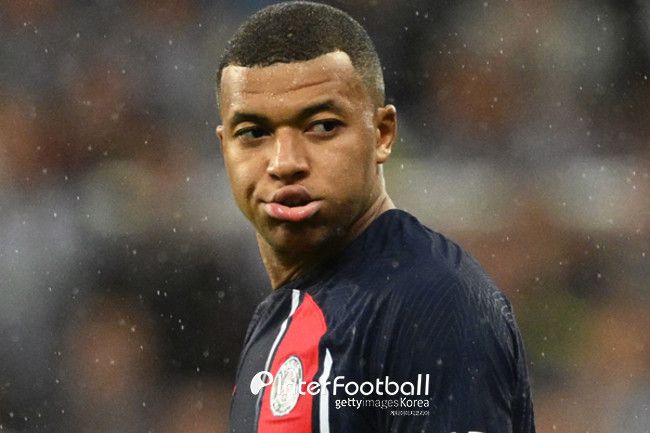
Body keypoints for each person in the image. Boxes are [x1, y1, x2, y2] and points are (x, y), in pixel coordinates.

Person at [215, 2, 535, 432]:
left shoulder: (428, 302)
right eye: (254, 133)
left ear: (382, 134)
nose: (285, 162)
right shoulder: (283, 314)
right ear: (225, 148)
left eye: (322, 126)